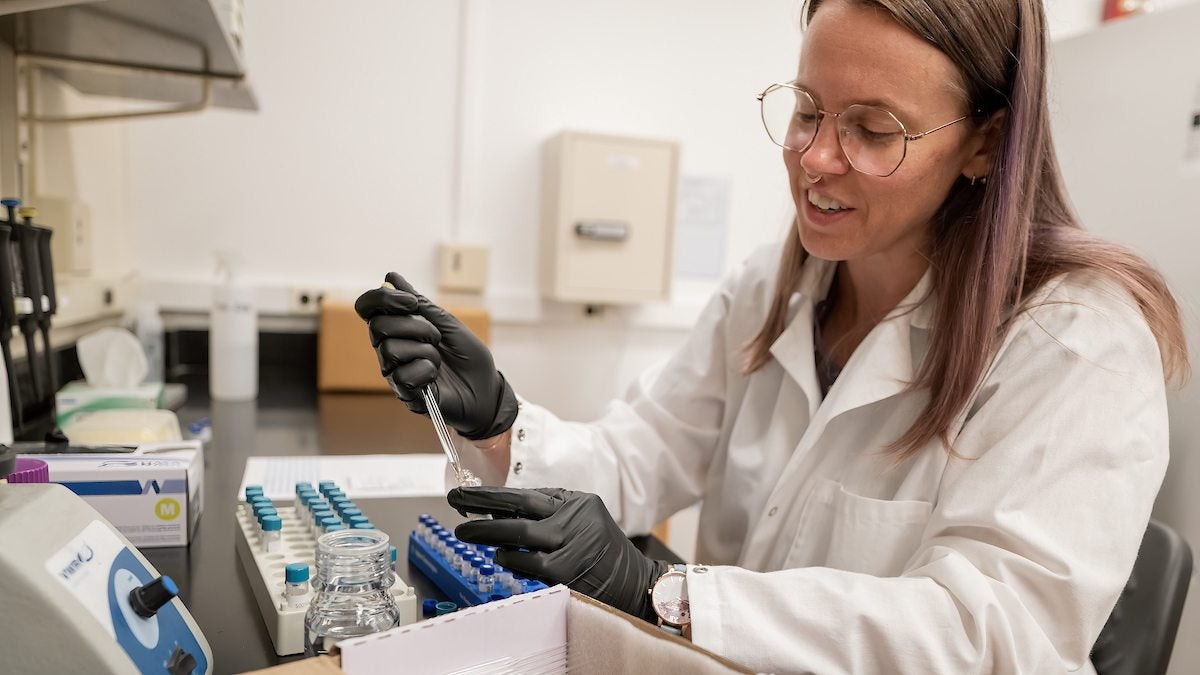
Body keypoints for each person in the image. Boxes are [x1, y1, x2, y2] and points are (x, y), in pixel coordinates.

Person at [353, 0, 1189, 672]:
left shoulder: (1078, 342)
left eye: (873, 129)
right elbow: (642, 456)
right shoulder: (775, 285)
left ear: (985, 141)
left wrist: (667, 592)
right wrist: (497, 419)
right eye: (808, 109)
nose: (816, 157)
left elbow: (993, 636)